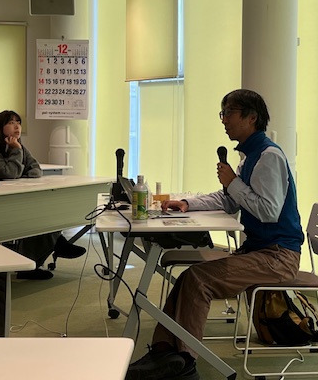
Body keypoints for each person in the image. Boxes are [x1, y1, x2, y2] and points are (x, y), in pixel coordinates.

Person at [126, 89, 304, 380]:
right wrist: (187, 203)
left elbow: (268, 211)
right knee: (188, 278)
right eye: (223, 113)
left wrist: (233, 182)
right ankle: (162, 352)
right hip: (260, 251)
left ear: (251, 117)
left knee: (198, 280)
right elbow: (229, 201)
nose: (224, 120)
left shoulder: (268, 156)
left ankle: (185, 361)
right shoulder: (249, 156)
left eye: (229, 113)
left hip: (278, 256)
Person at [0, 110, 86, 280]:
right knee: (38, 215)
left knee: (45, 210)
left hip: (14, 201)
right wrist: (16, 152)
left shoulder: (20, 148)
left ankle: (39, 257)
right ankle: (52, 247)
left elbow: (36, 170)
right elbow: (10, 174)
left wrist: (19, 163)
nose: (17, 126)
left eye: (18, 122)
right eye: (11, 122)